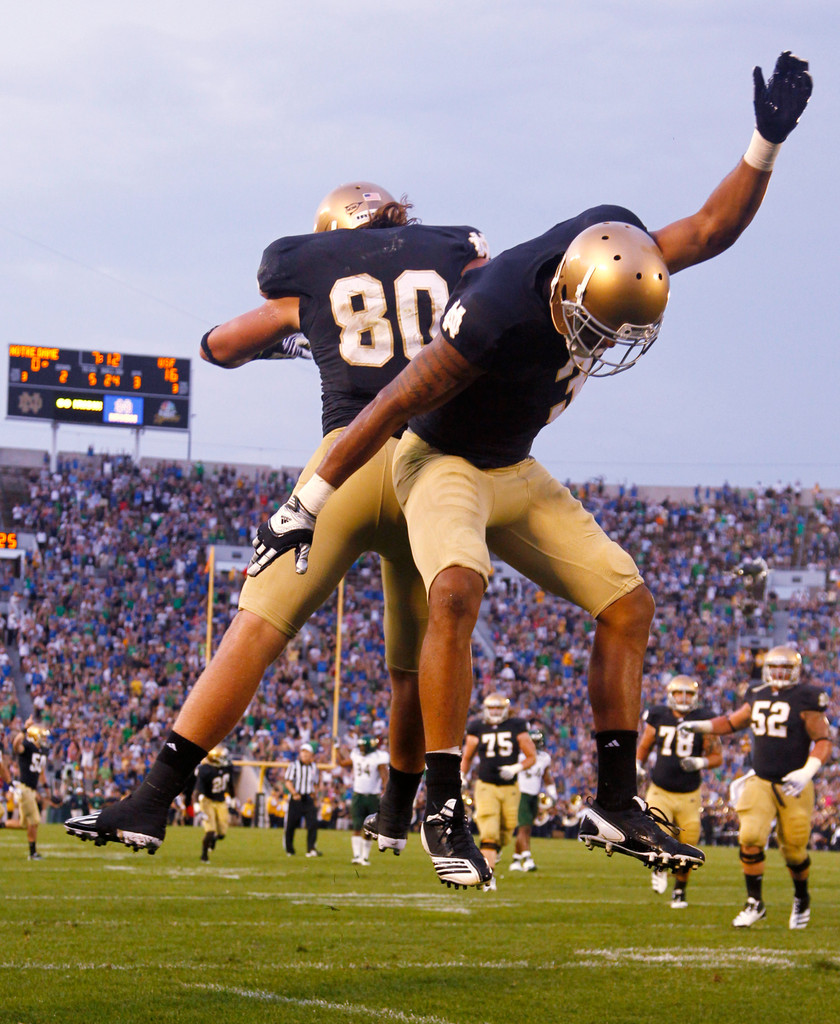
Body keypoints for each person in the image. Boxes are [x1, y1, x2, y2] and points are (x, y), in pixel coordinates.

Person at [245, 52, 813, 889]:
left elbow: (710, 229)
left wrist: (765, 142)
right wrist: (308, 499)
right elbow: (389, 407)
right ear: (563, 294)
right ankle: (444, 805)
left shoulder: (618, 252)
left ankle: (613, 802)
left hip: (513, 463)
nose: (600, 347)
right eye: (594, 329)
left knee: (628, 603)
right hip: (440, 459)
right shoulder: (494, 313)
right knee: (454, 589)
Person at [64, 183, 489, 854]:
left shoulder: (315, 276)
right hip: (432, 468)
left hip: (345, 466)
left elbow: (219, 345)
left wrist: (299, 335)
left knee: (257, 628)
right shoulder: (452, 259)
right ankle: (400, 814)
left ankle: (151, 799)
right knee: (415, 661)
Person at [678, 645, 831, 929]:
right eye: (775, 667)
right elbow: (731, 722)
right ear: (767, 669)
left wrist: (807, 771)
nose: (780, 673)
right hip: (760, 780)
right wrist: (701, 727)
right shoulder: (758, 692)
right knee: (749, 836)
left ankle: (801, 897)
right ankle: (754, 902)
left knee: (794, 850)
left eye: (786, 668)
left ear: (796, 670)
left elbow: (823, 740)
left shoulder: (807, 697)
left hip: (794, 785)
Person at [636, 676, 722, 908]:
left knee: (688, 842)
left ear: (695, 697)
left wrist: (700, 762)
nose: (683, 698)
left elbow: (717, 756)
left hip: (689, 794)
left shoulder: (703, 718)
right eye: (679, 693)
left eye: (688, 694)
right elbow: (645, 745)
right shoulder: (659, 715)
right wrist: (637, 764)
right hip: (660, 790)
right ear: (671, 695)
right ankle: (659, 868)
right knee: (658, 832)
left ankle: (679, 892)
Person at [460, 693, 536, 885]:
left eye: (498, 708)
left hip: (511, 788)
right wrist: (462, 775)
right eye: (491, 708)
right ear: (486, 709)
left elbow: (531, 756)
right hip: (486, 785)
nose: (494, 712)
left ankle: (493, 851)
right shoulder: (477, 726)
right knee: (489, 832)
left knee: (507, 830)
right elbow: (467, 756)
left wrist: (515, 768)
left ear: (505, 710)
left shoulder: (517, 725)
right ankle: (488, 876)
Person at [336, 734, 389, 865]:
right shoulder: (356, 754)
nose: (361, 748)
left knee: (369, 828)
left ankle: (364, 857)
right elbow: (342, 763)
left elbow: (384, 775)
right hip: (358, 795)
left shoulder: (379, 757)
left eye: (363, 746)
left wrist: (386, 790)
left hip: (372, 796)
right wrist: (336, 748)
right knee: (356, 826)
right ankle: (356, 856)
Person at [510, 728, 556, 873]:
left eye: (537, 742)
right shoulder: (518, 757)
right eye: (533, 742)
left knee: (527, 828)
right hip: (521, 794)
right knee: (523, 827)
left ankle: (516, 860)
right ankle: (527, 858)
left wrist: (553, 795)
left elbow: (547, 778)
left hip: (534, 795)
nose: (535, 745)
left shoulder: (544, 758)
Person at [7, 720, 50, 860]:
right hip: (24, 788)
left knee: (23, 824)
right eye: (43, 736)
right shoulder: (27, 746)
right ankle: (33, 853)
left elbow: (40, 772)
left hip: (31, 790)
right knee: (35, 820)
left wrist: (46, 788)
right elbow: (16, 745)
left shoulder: (42, 751)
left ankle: (1, 824)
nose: (45, 739)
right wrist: (24, 729)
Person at [195, 745, 234, 863]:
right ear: (215, 759)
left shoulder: (227, 768)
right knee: (210, 830)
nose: (225, 760)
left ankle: (214, 839)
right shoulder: (205, 770)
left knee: (222, 833)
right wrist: (197, 806)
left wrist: (232, 798)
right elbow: (198, 790)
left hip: (221, 801)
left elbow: (230, 784)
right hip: (207, 801)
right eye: (222, 757)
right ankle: (204, 855)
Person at [284, 742, 322, 857]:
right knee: (291, 824)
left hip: (308, 798)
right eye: (303, 752)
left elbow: (316, 783)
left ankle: (311, 849)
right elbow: (288, 781)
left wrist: (315, 795)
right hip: (297, 797)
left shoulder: (314, 767)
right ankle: (289, 849)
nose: (304, 754)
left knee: (312, 823)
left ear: (311, 755)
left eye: (307, 752)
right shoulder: (294, 765)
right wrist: (294, 793)